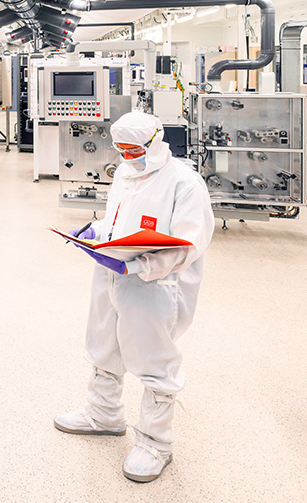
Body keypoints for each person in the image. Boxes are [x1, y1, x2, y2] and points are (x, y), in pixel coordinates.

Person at [54, 111, 214, 483]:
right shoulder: (125, 174)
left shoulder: (184, 183)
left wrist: (143, 267)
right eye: (122, 149)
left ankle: (156, 443)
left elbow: (190, 244)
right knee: (104, 344)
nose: (128, 156)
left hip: (154, 284)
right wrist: (96, 230)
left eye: (134, 149)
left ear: (156, 141)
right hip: (112, 272)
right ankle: (103, 414)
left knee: (152, 357)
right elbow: (120, 219)